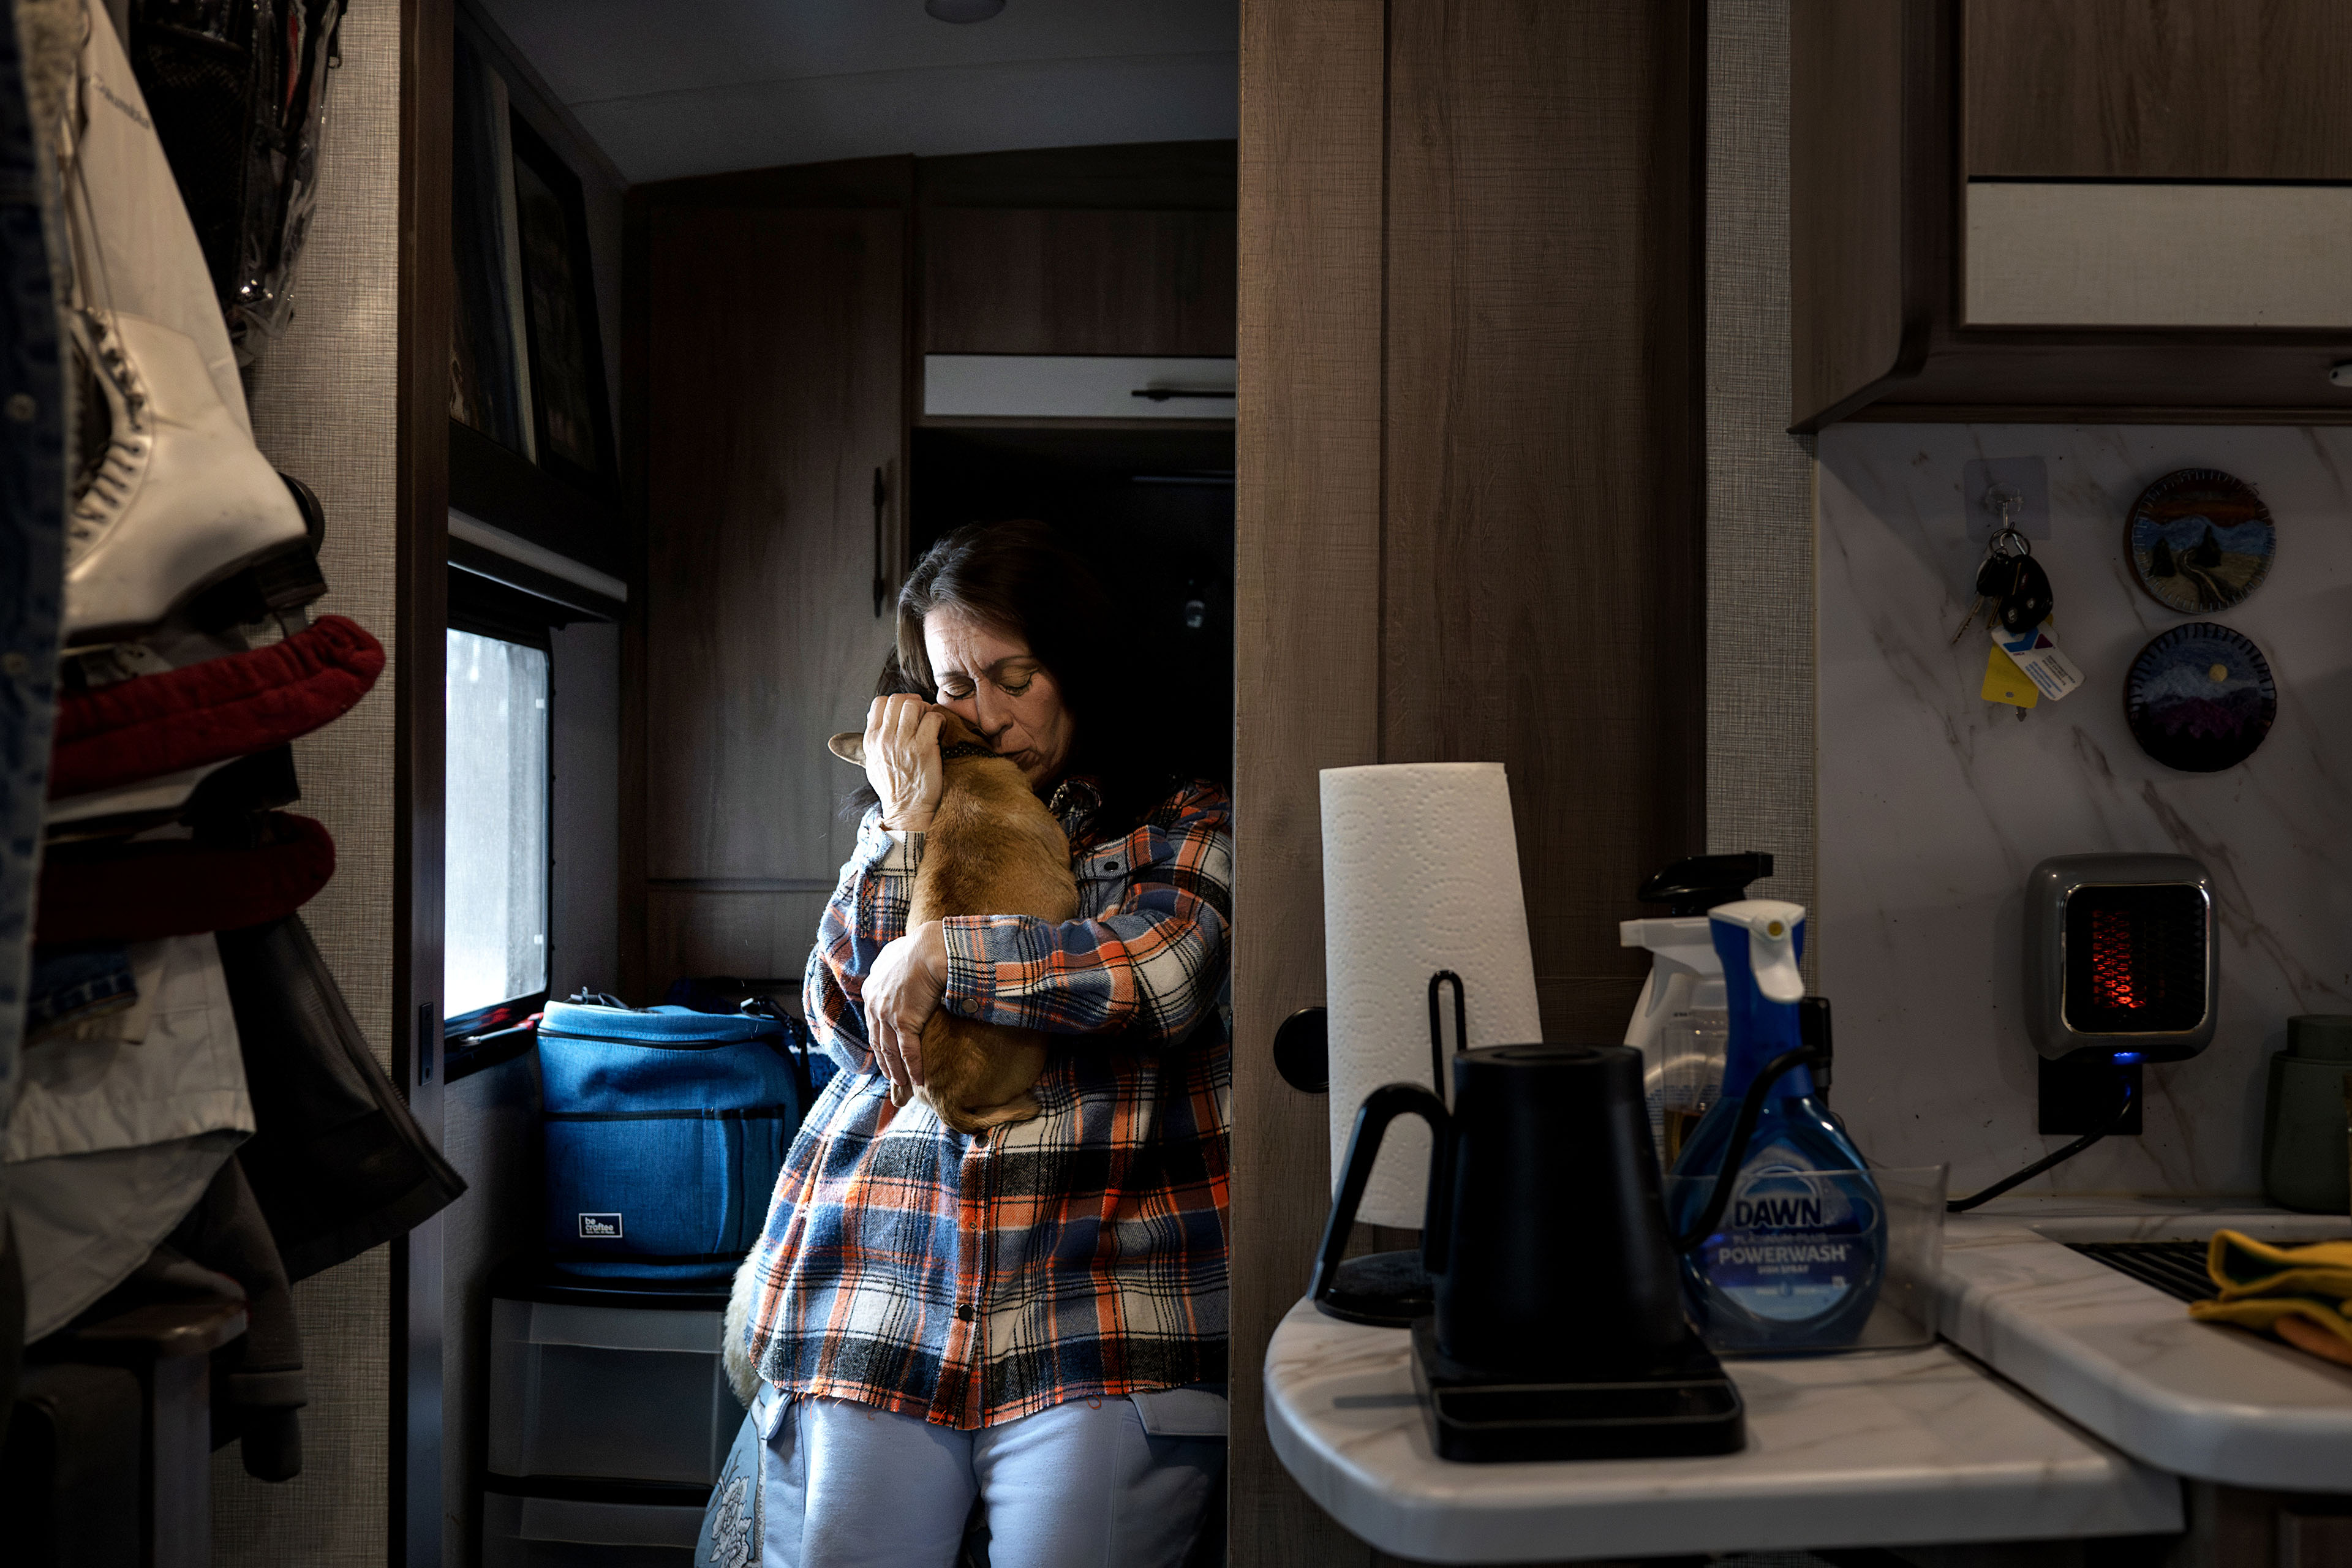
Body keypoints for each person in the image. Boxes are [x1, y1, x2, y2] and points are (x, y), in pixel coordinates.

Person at [703, 520, 1232, 1568]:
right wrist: (905, 827)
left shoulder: (1180, 823)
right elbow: (848, 1026)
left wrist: (946, 957)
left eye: (1012, 676)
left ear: (1076, 669)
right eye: (952, 687)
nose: (984, 718)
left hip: (1104, 1306)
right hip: (879, 1283)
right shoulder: (910, 814)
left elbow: (1161, 976)